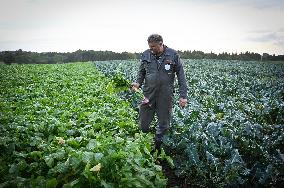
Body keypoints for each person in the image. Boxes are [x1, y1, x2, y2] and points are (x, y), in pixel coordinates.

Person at [132, 34, 188, 151]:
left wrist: (183, 96)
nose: (151, 49)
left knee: (164, 123)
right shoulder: (146, 54)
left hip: (165, 95)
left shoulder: (173, 55)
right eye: (149, 46)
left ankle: (158, 147)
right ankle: (144, 143)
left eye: (153, 46)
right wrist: (138, 83)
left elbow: (181, 76)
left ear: (161, 44)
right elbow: (141, 72)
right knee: (143, 121)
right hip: (148, 94)